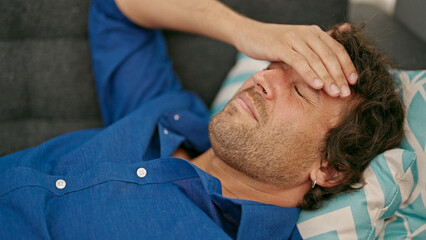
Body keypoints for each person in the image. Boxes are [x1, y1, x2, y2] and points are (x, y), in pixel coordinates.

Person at [0, 0, 404, 239]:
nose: (262, 78)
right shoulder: (170, 113)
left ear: (330, 169)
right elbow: (115, 8)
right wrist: (245, 30)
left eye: (301, 91)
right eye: (274, 64)